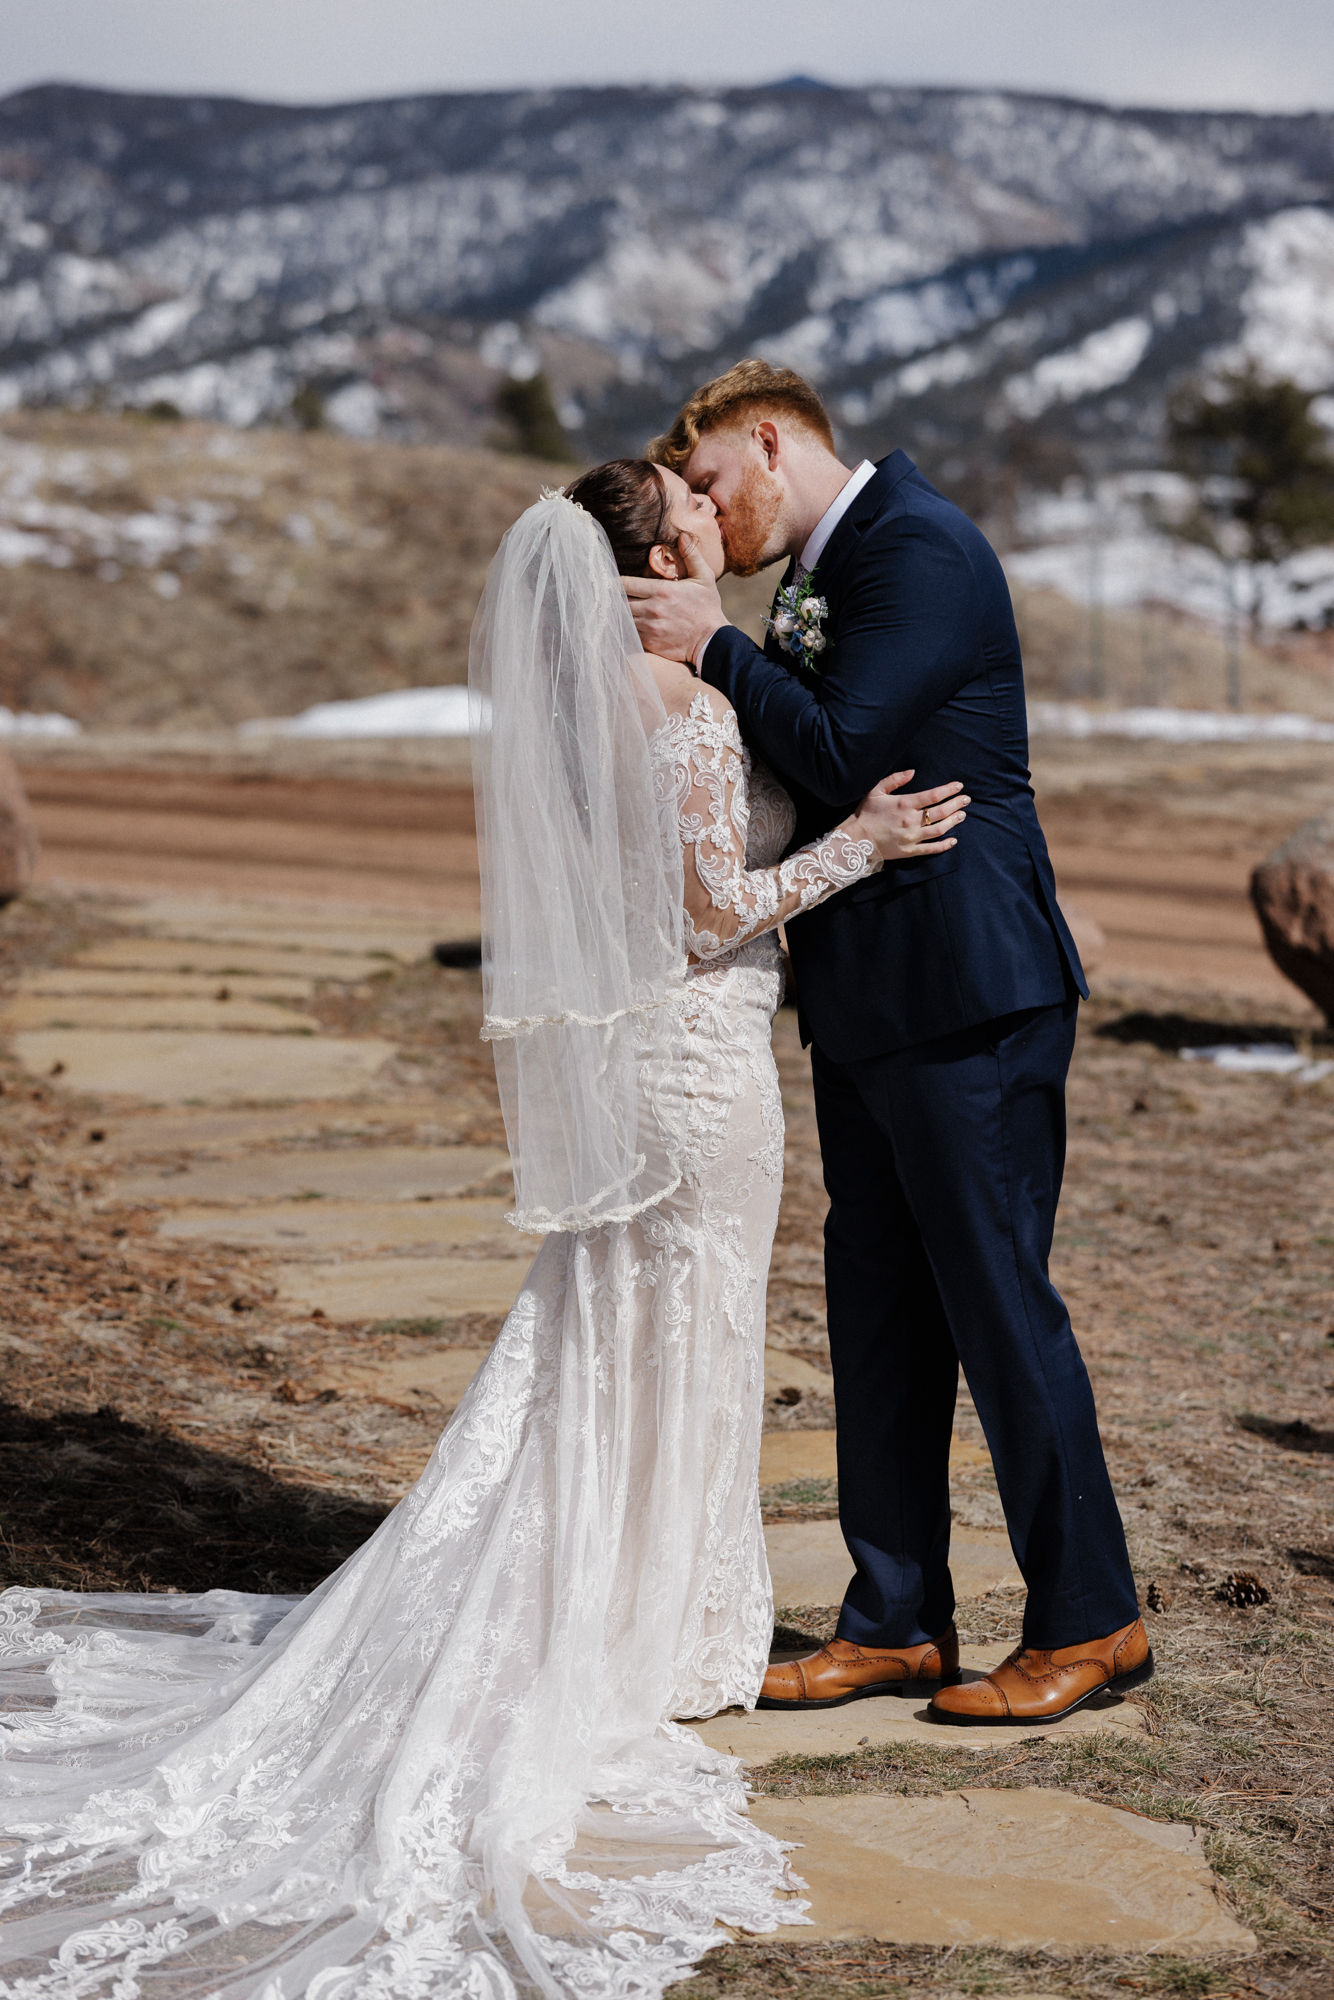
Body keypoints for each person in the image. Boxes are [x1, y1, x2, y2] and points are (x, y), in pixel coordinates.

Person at [0, 466, 966, 2000]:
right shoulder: (688, 704)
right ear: (659, 554)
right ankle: (660, 1631)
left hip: (654, 1058)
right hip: (700, 1054)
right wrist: (864, 839)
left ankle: (637, 1603)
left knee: (615, 1331)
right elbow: (714, 911)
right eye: (684, 500)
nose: (711, 501)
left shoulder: (598, 700)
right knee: (687, 1328)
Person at [626, 359, 1151, 1727]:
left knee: (994, 1301)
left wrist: (712, 645)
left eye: (710, 486)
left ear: (767, 440)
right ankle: (895, 1621)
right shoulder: (823, 566)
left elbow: (848, 743)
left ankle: (1091, 1620)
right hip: (861, 997)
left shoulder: (918, 548)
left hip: (966, 992)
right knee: (876, 1311)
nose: (707, 515)